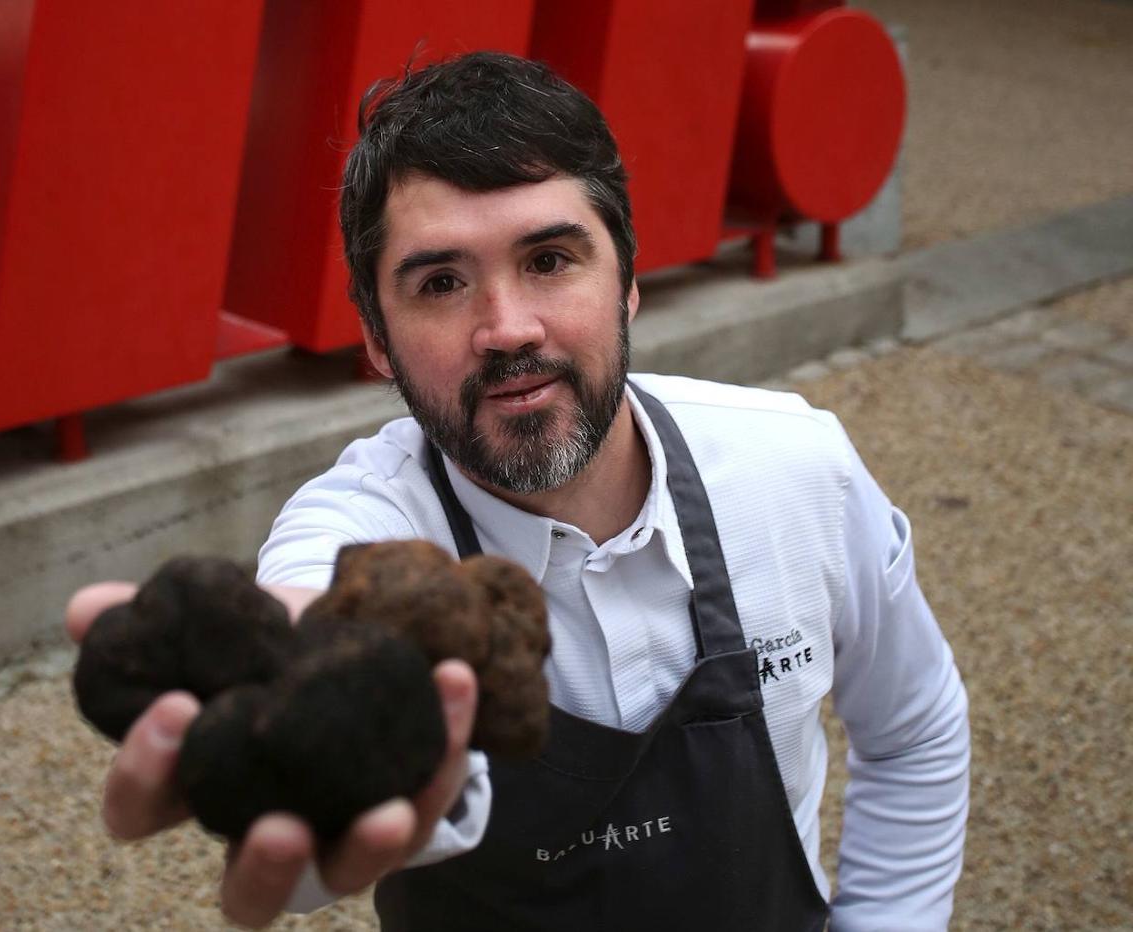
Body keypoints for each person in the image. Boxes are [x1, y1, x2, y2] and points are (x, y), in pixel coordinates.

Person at [67, 51, 969, 931]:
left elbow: (915, 727)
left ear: (627, 283)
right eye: (442, 282)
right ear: (376, 340)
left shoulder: (794, 468)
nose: (507, 328)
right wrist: (297, 742)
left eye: (548, 260)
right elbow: (309, 688)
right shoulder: (359, 535)